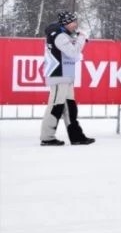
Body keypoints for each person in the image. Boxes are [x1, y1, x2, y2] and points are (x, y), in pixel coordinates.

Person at [39, 11, 95, 146]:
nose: (76, 24)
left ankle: (76, 136)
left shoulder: (63, 34)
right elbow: (73, 52)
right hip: (59, 75)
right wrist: (81, 38)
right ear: (65, 22)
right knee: (55, 107)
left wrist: (77, 38)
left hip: (66, 75)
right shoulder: (59, 35)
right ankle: (47, 137)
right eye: (73, 21)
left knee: (70, 107)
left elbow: (71, 50)